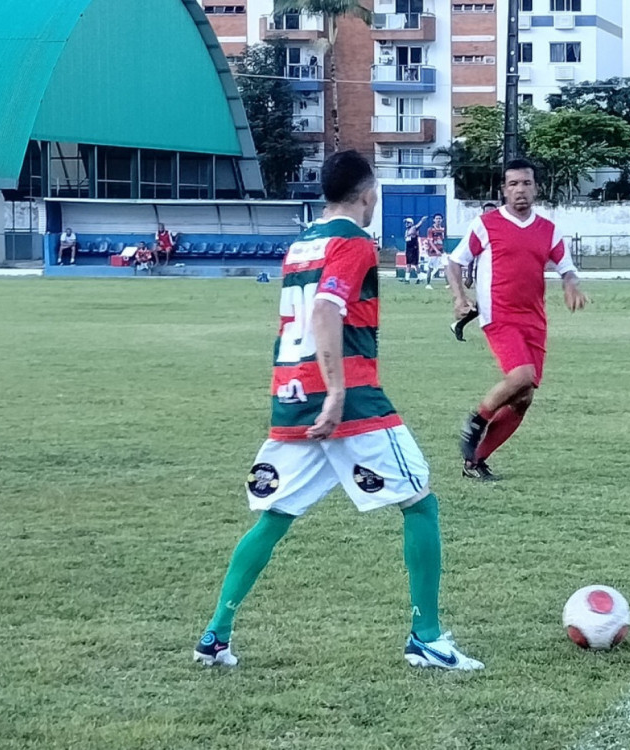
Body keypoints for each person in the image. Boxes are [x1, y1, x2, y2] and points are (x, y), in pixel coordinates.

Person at [193, 150, 483, 672]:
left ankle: (215, 634)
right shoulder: (355, 242)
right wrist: (334, 390)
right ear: (368, 194)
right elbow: (327, 310)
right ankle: (427, 637)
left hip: (289, 396)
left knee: (276, 517)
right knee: (420, 503)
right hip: (347, 396)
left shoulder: (302, 243)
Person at [447, 159, 587, 481]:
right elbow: (454, 263)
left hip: (534, 320)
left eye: (526, 183)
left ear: (536, 188)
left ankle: (475, 462)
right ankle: (476, 421)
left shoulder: (548, 230)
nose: (520, 190)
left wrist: (571, 286)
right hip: (499, 315)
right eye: (513, 184)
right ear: (503, 190)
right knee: (522, 375)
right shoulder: (486, 224)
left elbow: (566, 268)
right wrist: (459, 298)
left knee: (523, 398)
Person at [450, 203, 497, 342]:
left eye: (492, 212)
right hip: (484, 275)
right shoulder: (479, 229)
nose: (489, 215)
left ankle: (459, 325)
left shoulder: (500, 229)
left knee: (485, 305)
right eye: (487, 212)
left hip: (499, 275)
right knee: (486, 304)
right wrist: (469, 276)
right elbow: (469, 256)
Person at [424, 213, 446, 290]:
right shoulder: (430, 229)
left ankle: (448, 284)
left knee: (446, 266)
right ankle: (428, 284)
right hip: (432, 251)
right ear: (434, 220)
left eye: (440, 218)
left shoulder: (443, 229)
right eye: (437, 218)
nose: (438, 220)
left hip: (441, 251)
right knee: (430, 268)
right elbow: (430, 241)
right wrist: (436, 250)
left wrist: (442, 249)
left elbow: (443, 240)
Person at [403, 217, 422, 284]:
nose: (406, 224)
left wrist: (422, 220)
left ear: (411, 223)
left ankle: (419, 278)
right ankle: (407, 279)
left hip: (414, 248)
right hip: (409, 249)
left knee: (416, 264)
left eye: (408, 222)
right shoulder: (407, 231)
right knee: (408, 264)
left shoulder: (414, 229)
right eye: (406, 222)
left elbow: (418, 226)